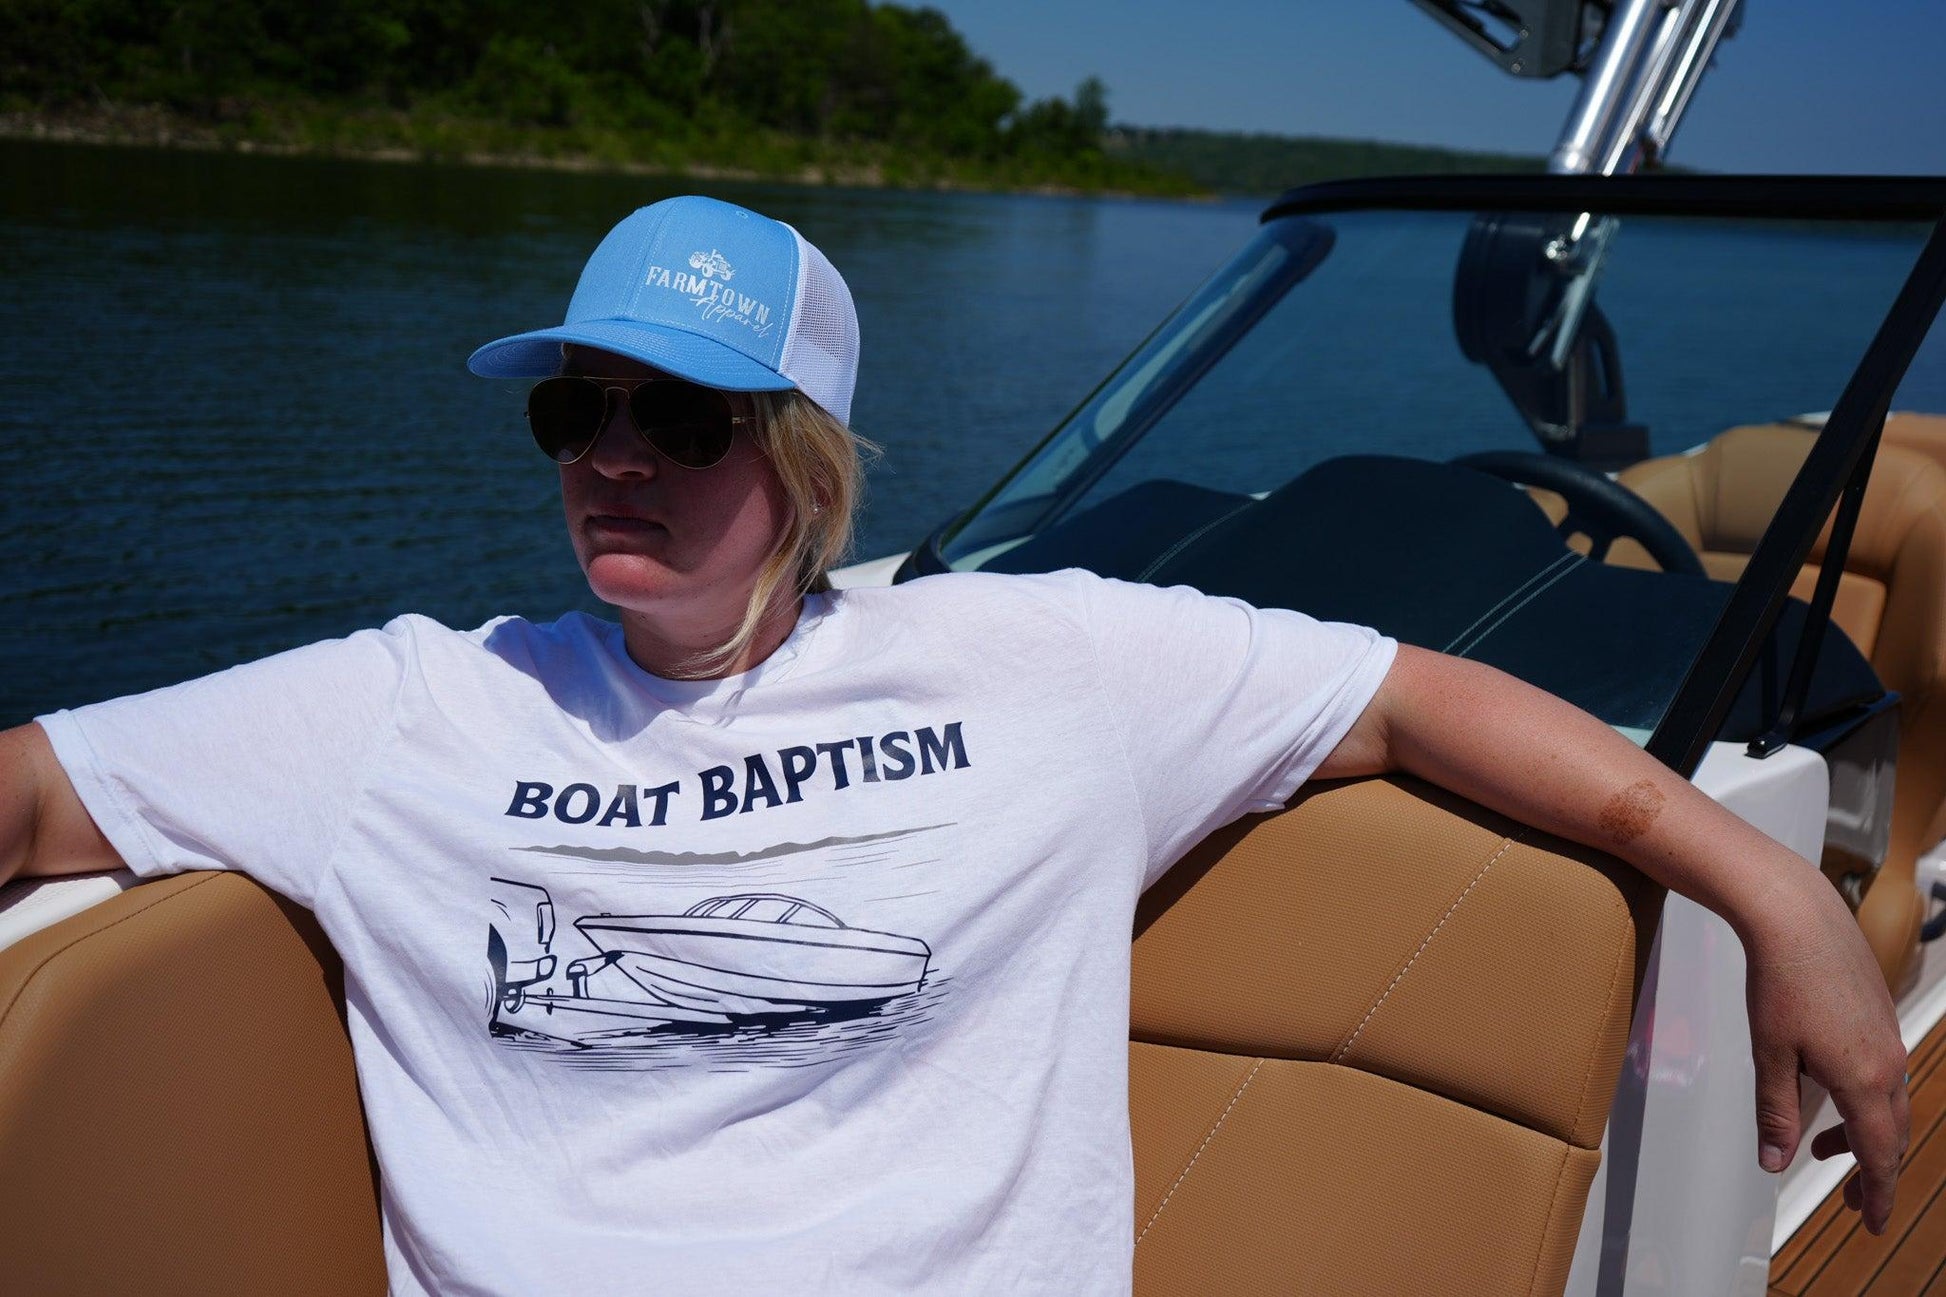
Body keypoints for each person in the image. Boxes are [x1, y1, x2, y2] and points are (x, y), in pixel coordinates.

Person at [0, 195, 1909, 1294]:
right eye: (577, 412)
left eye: (680, 419)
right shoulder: (409, 704)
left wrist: (1767, 882)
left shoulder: (1040, 661)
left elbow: (1407, 689)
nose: (613, 458)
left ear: (805, 464)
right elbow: (29, 786)